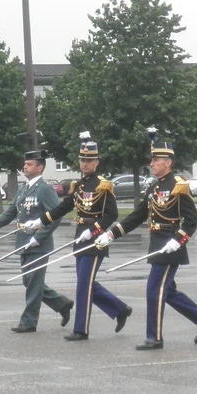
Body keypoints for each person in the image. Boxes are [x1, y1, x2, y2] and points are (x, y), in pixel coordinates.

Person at [95, 139, 197, 350]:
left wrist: (178, 241)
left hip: (170, 248)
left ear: (168, 162)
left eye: (156, 160)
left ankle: (154, 337)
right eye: (152, 159)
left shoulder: (179, 185)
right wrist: (111, 234)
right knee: (167, 292)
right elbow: (137, 216)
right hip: (157, 245)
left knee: (153, 290)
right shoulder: (153, 187)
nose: (151, 163)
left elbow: (191, 220)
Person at [21, 134, 132, 341]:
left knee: (83, 285)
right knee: (86, 282)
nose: (85, 164)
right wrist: (40, 221)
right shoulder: (78, 185)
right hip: (80, 238)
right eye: (82, 160)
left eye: (89, 161)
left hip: (95, 240)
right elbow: (63, 207)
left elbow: (111, 214)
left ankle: (81, 329)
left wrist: (95, 229)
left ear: (96, 163)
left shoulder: (103, 185)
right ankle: (120, 309)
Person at [0, 149, 72, 333]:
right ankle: (62, 303)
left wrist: (37, 238)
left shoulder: (45, 190)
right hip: (23, 242)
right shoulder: (23, 188)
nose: (25, 166)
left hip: (39, 245)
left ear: (40, 168)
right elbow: (10, 213)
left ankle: (28, 322)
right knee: (29, 282)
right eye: (25, 164)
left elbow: (55, 217)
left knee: (33, 284)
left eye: (29, 164)